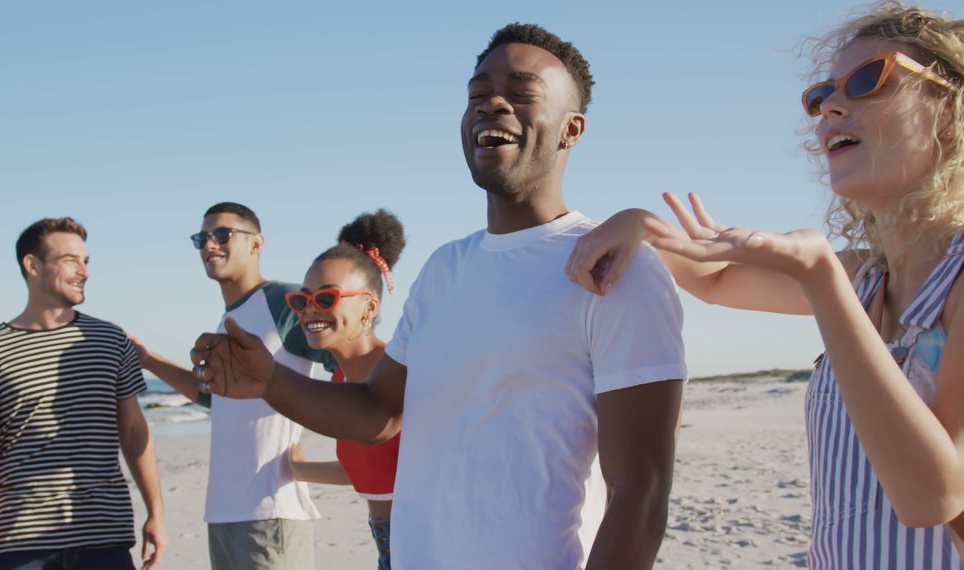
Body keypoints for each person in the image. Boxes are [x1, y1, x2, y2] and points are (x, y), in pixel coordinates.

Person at [191, 23, 687, 569]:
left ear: (572, 129)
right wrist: (267, 381)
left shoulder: (616, 267)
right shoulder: (444, 270)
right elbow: (379, 412)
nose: (493, 104)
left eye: (521, 93)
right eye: (477, 94)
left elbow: (640, 491)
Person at [565, 4, 964, 568]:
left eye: (869, 80)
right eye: (820, 95)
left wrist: (822, 279)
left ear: (948, 111)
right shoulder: (868, 277)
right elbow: (720, 279)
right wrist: (641, 226)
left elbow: (932, 496)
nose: (830, 106)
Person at [0, 217, 167, 570]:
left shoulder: (111, 342)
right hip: (18, 545)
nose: (84, 271)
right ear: (32, 265)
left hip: (104, 539)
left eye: (86, 261)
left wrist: (156, 512)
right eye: (70, 260)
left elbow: (135, 430)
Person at [130, 202, 335, 570]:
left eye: (223, 235)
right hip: (222, 515)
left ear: (256, 244)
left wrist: (327, 459)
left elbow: (349, 365)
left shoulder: (285, 302)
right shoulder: (230, 319)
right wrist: (148, 359)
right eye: (202, 238)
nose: (210, 245)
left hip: (272, 511)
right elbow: (214, 398)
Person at [284, 209, 405, 570]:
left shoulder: (403, 372)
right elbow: (368, 470)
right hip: (384, 537)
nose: (309, 309)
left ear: (369, 307)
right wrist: (296, 469)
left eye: (326, 298)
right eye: (302, 299)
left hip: (424, 535)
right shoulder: (340, 381)